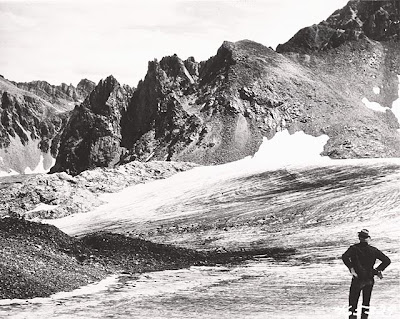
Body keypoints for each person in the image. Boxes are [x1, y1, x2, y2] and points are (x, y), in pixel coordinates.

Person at [342, 229, 391, 319]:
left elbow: (344, 257)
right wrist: (377, 271)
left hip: (358, 278)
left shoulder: (354, 248)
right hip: (369, 279)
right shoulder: (373, 250)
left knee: (353, 303)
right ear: (368, 238)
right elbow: (387, 261)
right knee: (366, 303)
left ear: (359, 238)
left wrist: (351, 268)